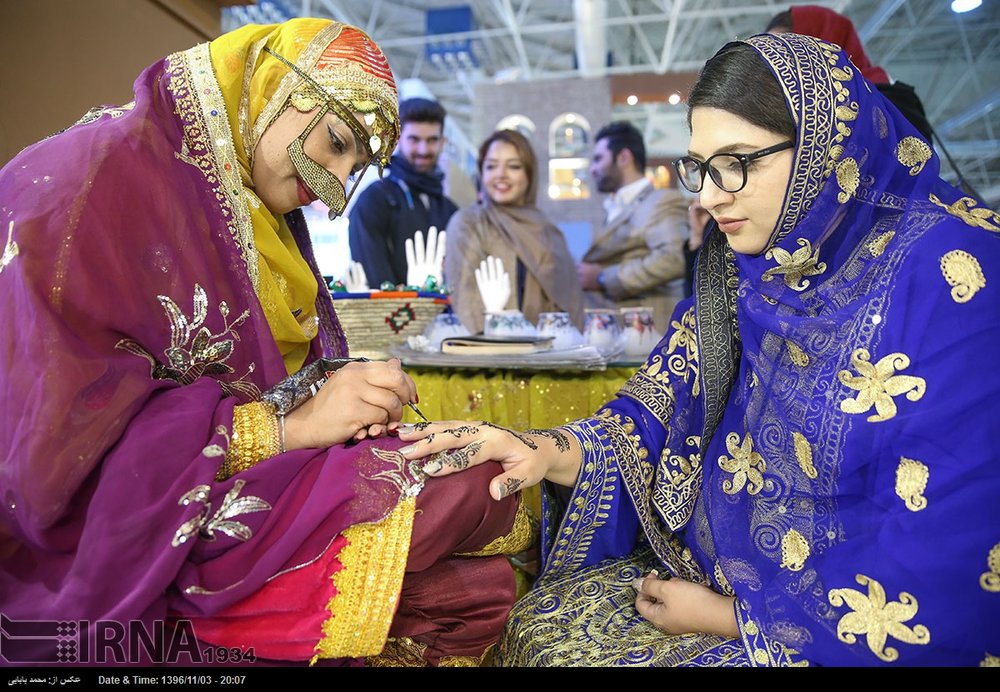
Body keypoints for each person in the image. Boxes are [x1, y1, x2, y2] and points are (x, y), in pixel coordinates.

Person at [397, 31, 1000, 666]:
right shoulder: (751, 270)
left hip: (847, 624)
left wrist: (736, 620)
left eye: (736, 162)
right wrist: (544, 450)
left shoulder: (953, 272)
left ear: (823, 150)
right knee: (532, 624)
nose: (709, 195)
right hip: (719, 574)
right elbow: (656, 413)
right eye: (701, 167)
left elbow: (958, 532)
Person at [0, 18, 533, 668]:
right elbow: (51, 456)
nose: (335, 190)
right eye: (337, 143)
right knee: (459, 517)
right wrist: (288, 428)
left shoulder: (252, 202)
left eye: (356, 167)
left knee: (476, 500)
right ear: (278, 87)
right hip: (125, 522)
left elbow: (261, 375)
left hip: (224, 472)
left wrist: (337, 392)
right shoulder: (91, 181)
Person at [443, 128, 584, 334]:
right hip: (492, 347)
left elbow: (571, 302)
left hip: (553, 349)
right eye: (491, 166)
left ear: (529, 174)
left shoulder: (547, 230)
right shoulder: (469, 223)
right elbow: (465, 301)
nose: (501, 174)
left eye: (514, 166)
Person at [576, 121, 689, 334]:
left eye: (598, 159)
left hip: (649, 334)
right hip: (618, 331)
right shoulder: (614, 207)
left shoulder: (663, 201)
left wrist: (602, 277)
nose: (592, 169)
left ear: (623, 158)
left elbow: (672, 259)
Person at [765, 5, 935, 142]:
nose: (774, 66)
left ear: (823, 48)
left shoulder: (891, 101)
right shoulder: (792, 115)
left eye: (783, 53)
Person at [348, 97, 459, 288]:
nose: (423, 150)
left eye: (432, 140)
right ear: (397, 141)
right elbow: (376, 281)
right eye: (414, 139)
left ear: (443, 142)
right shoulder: (375, 201)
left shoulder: (449, 209)